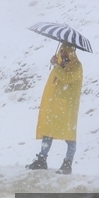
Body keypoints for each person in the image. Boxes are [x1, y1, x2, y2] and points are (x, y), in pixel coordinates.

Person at [27, 43, 83, 175]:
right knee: (48, 131)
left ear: (71, 52)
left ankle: (67, 164)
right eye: (61, 50)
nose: (63, 53)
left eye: (66, 51)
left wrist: (56, 66)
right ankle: (42, 159)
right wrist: (57, 64)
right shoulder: (60, 63)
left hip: (68, 106)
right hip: (55, 104)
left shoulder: (77, 66)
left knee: (69, 135)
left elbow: (67, 78)